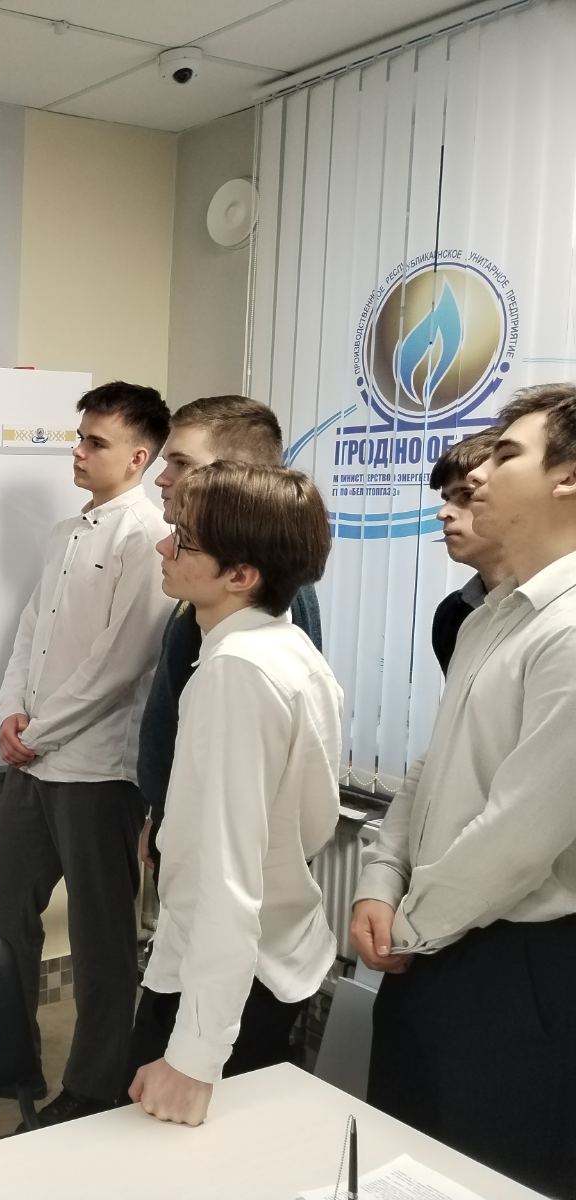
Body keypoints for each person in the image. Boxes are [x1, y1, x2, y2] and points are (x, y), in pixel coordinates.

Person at [352, 384, 576, 1200]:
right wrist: (380, 879)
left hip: (515, 964)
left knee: (489, 1174)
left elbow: (521, 833)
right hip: (437, 939)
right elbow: (431, 765)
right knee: (403, 1156)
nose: (476, 473)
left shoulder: (569, 629)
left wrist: (410, 924)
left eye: (507, 454)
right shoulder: (492, 615)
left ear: (568, 478)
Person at [0, 380, 172, 1126]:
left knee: (100, 939)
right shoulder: (67, 532)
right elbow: (30, 631)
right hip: (35, 762)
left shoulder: (146, 535)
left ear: (138, 457)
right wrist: (10, 711)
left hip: (97, 772)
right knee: (1, 906)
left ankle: (94, 1086)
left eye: (96, 442)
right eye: (79, 437)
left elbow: (120, 664)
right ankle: (8, 1063)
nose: (79, 451)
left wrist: (38, 732)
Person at [126, 463, 341, 1127]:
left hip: (224, 988)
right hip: (270, 964)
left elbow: (227, 880)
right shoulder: (288, 649)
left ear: (241, 575)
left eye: (183, 540)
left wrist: (194, 1056)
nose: (163, 546)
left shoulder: (236, 674)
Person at [138, 395, 322, 874]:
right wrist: (161, 815)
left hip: (219, 849)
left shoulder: (266, 610)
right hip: (185, 823)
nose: (162, 478)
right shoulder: (207, 583)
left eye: (182, 464)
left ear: (236, 475)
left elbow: (246, 789)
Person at [427, 429, 508, 672]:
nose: (443, 513)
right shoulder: (453, 614)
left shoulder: (562, 610)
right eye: (446, 498)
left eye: (467, 495)